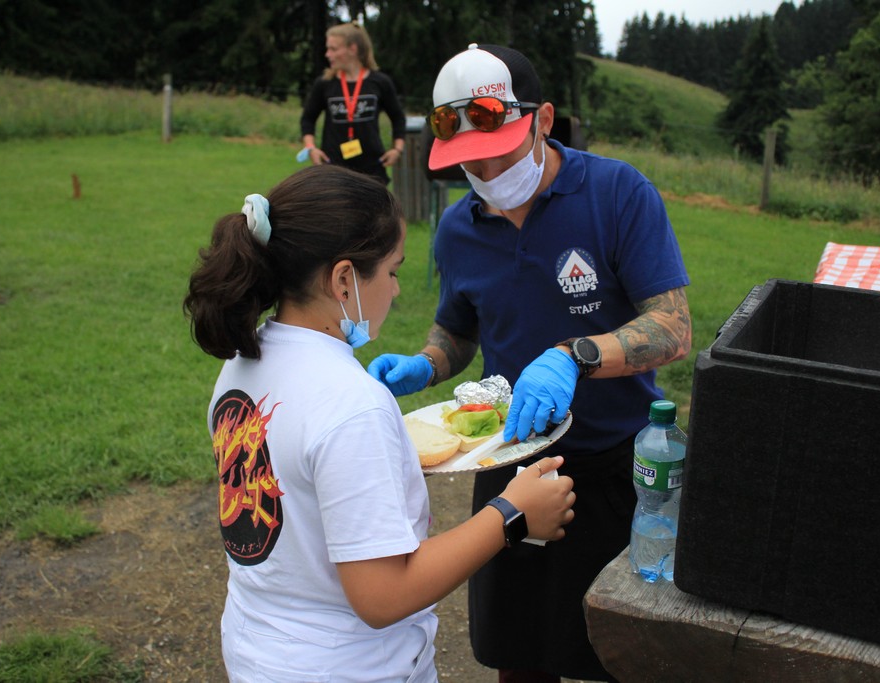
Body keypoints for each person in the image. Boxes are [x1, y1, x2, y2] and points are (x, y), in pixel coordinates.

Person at [367, 44, 693, 682]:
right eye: (467, 160)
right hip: (509, 462)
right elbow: (458, 331)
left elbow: (673, 327)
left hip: (612, 468)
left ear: (543, 120)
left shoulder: (616, 192)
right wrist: (427, 364)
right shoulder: (459, 229)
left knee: (617, 656)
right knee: (518, 654)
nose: (484, 169)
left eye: (499, 148)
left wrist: (576, 355)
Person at [182, 163, 576, 682]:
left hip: (260, 651)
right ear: (344, 279)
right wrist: (513, 513)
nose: (395, 290)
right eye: (391, 271)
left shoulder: (241, 364)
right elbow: (383, 595)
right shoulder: (352, 403)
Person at [299, 22, 407, 185]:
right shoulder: (325, 83)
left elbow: (398, 118)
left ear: (353, 49)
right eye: (328, 49)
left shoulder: (380, 82)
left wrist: (397, 149)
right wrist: (311, 148)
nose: (328, 54)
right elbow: (307, 119)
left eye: (333, 49)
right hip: (333, 168)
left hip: (372, 170)